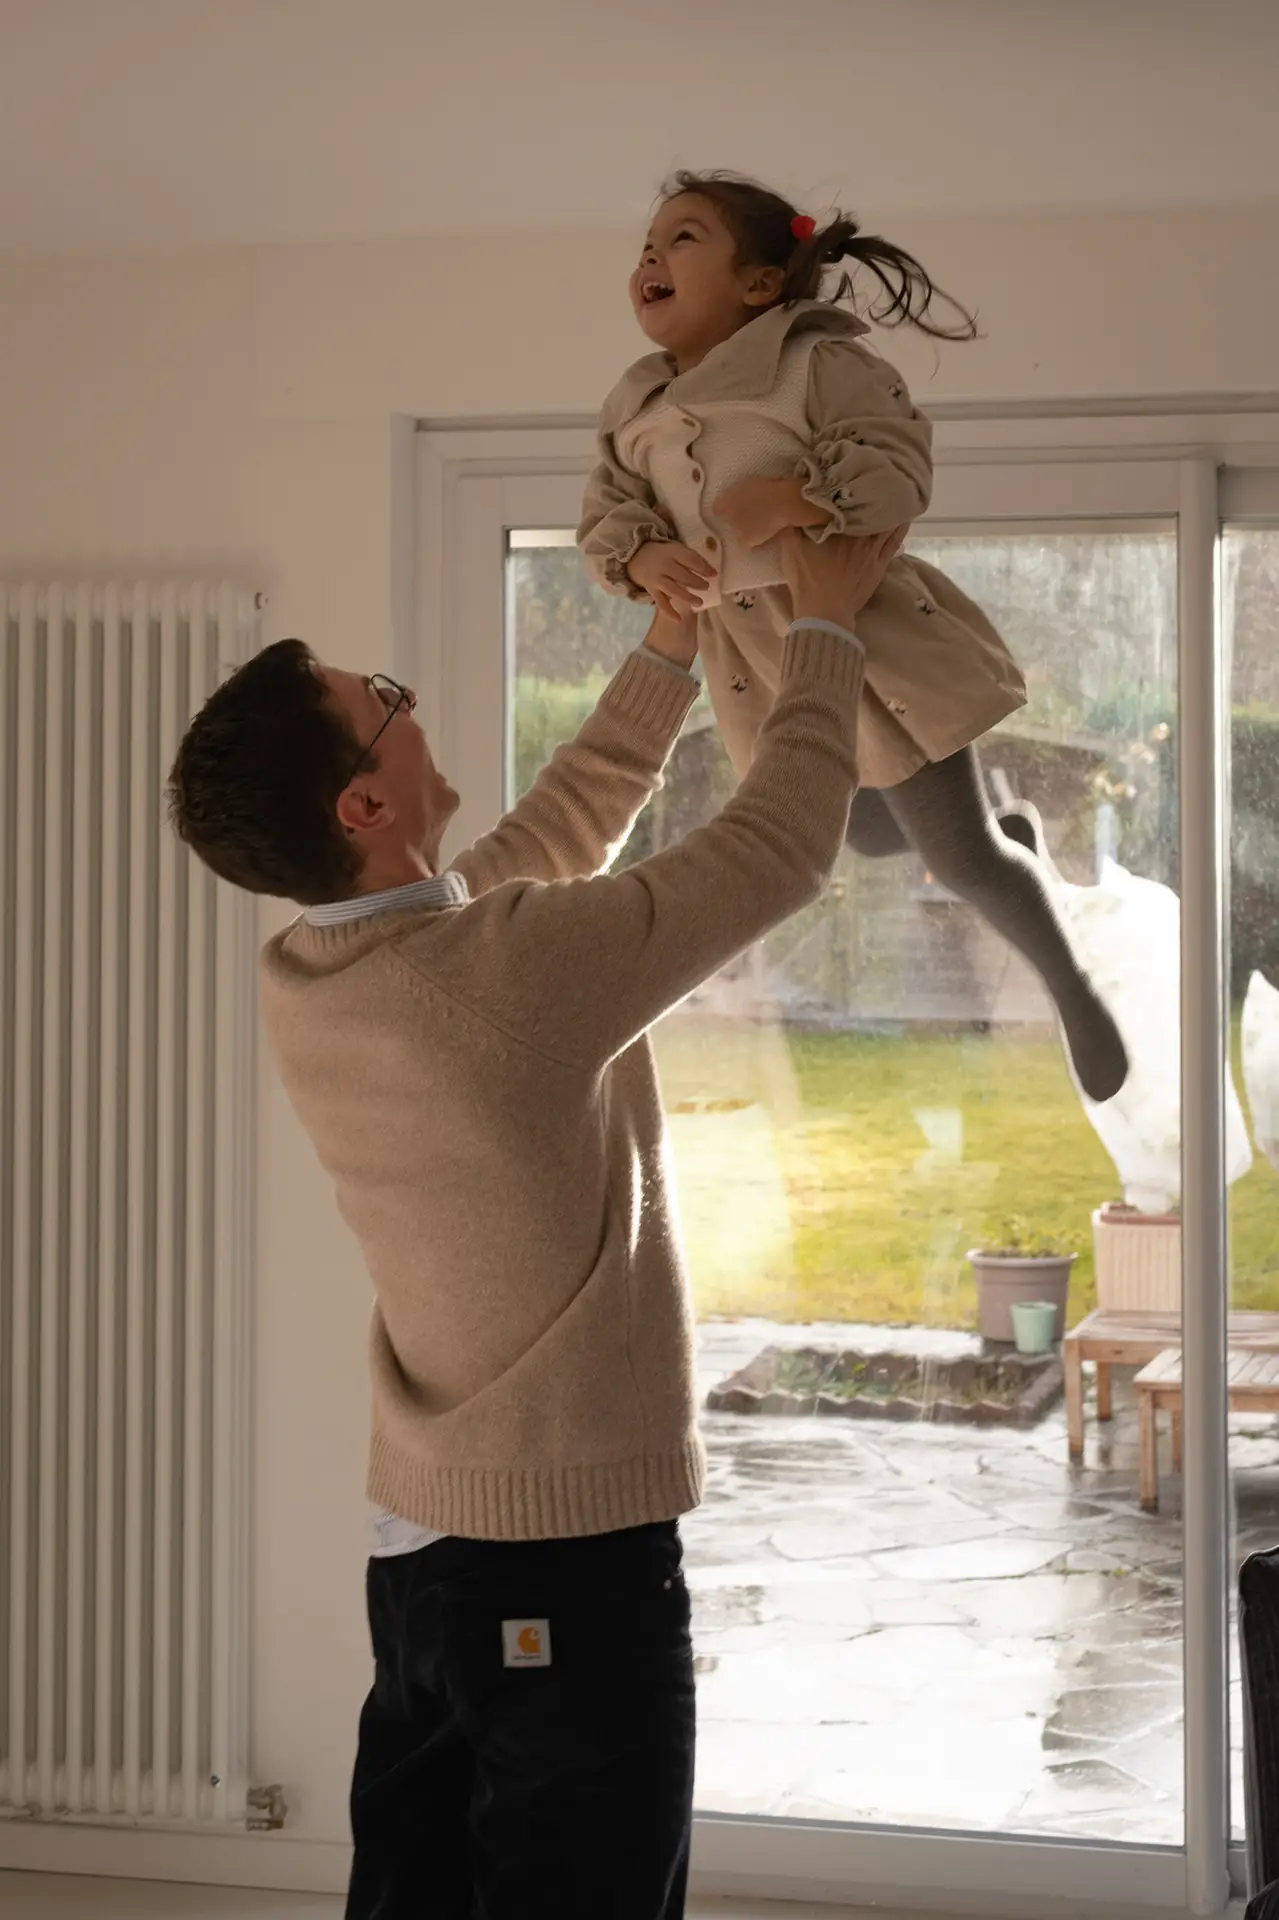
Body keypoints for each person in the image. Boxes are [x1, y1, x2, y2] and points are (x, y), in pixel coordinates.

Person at [166, 522, 903, 1920]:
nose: (410, 704)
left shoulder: (322, 969)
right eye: (383, 703)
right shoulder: (487, 984)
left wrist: (670, 646)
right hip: (554, 1555)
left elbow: (548, 842)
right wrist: (823, 629)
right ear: (361, 805)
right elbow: (770, 853)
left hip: (426, 1544)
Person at [579, 168, 1128, 1104]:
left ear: (758, 282)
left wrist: (795, 498)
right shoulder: (633, 409)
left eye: (681, 239)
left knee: (958, 857)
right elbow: (605, 510)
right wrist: (639, 556)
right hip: (757, 664)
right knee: (846, 838)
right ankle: (997, 836)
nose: (650, 259)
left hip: (866, 640)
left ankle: (1069, 982)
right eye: (645, 246)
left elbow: (895, 459)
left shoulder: (812, 362)